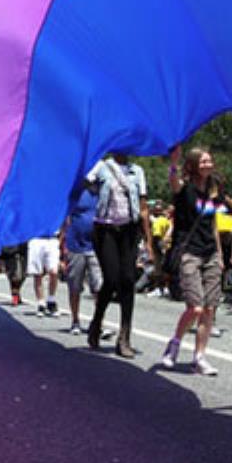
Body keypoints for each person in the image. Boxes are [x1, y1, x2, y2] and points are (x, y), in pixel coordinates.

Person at [158, 146, 224, 375]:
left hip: (211, 254)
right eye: (203, 161)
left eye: (209, 160)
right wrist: (173, 162)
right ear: (194, 165)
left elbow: (213, 223)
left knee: (209, 309)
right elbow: (174, 183)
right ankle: (174, 344)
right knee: (195, 307)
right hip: (190, 252)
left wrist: (220, 255)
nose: (208, 164)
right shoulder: (185, 191)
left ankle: (200, 357)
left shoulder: (215, 191)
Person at [85, 153, 155, 357]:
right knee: (112, 278)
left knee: (128, 280)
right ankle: (97, 321)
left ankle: (125, 336)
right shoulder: (101, 167)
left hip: (129, 230)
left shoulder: (137, 171)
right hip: (105, 230)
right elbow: (83, 184)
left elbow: (143, 208)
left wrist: (149, 242)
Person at [61, 184, 103, 335]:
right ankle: (75, 321)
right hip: (75, 245)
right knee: (75, 286)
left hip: (95, 246)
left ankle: (98, 323)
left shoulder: (102, 192)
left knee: (99, 287)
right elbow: (66, 219)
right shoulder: (76, 192)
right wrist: (64, 245)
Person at [26, 232, 61, 316]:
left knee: (54, 271)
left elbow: (65, 222)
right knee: (38, 273)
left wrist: (60, 239)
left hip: (52, 239)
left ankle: (51, 300)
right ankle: (41, 303)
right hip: (36, 239)